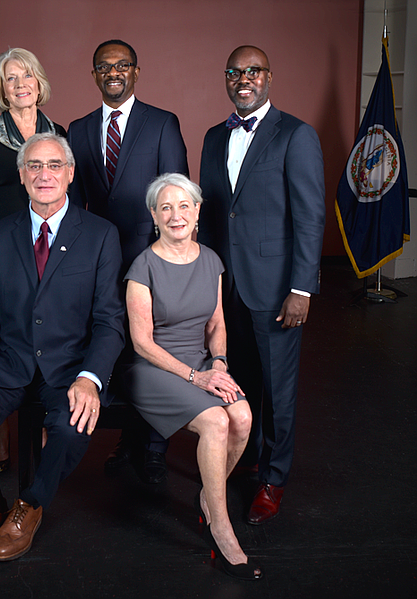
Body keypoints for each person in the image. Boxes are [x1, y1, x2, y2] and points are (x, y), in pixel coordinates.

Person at [0, 133, 124, 563]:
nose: (44, 174)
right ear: (22, 176)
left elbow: (109, 321)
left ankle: (30, 504)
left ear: (70, 173)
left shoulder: (100, 235)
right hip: (8, 362)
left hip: (69, 368)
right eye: (34, 166)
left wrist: (90, 378)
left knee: (69, 427)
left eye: (54, 165)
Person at [198, 46, 326, 524]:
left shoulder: (295, 135)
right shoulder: (214, 137)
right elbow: (212, 214)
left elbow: (310, 217)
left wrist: (302, 288)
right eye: (234, 72)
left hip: (276, 290)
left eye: (252, 71)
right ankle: (243, 457)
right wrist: (205, 279)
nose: (243, 79)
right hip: (227, 287)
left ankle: (273, 477)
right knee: (237, 381)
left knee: (278, 388)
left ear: (269, 77)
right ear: (226, 79)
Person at [125, 173, 261, 580]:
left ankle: (209, 496)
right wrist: (195, 378)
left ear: (197, 211)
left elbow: (217, 323)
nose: (176, 214)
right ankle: (220, 524)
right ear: (154, 215)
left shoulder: (211, 261)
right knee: (219, 420)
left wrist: (218, 363)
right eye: (165, 207)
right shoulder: (141, 268)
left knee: (243, 417)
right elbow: (142, 343)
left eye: (184, 205)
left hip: (202, 363)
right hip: (154, 369)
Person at [67, 39, 189, 483]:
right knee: (114, 345)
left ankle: (155, 447)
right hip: (97, 261)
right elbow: (74, 204)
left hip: (151, 259)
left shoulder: (161, 124)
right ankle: (126, 439)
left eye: (122, 65)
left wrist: (171, 259)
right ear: (95, 74)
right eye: (104, 66)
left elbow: (175, 193)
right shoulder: (78, 130)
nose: (113, 72)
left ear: (136, 72)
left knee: (157, 348)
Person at [0, 48, 66, 470]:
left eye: (27, 76)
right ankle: (1, 431)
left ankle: (44, 420)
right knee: (2, 330)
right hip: (2, 245)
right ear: (1, 89)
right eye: (11, 78)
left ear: (39, 82)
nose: (20, 84)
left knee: (44, 327)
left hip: (45, 242)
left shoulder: (57, 130)